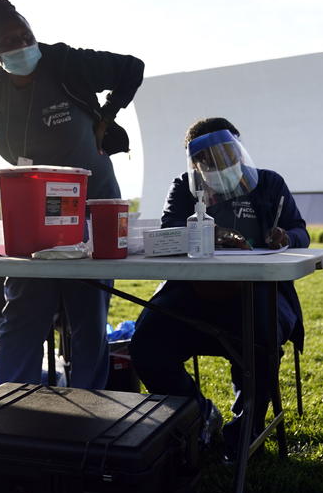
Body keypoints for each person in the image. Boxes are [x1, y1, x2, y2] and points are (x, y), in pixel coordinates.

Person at [0, 0, 144, 389]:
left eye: (26, 35)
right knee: (25, 309)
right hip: (35, 217)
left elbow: (132, 68)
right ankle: (11, 402)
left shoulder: (65, 63)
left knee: (87, 315)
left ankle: (90, 405)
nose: (23, 45)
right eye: (11, 41)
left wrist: (106, 116)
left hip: (92, 206)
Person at [130, 118, 309, 459]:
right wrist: (209, 234)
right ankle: (198, 415)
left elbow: (300, 231)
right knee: (147, 343)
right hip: (194, 292)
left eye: (225, 155)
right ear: (194, 164)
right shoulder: (184, 186)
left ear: (238, 150)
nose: (218, 166)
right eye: (206, 161)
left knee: (260, 342)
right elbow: (169, 233)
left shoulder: (269, 184)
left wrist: (284, 237)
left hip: (259, 292)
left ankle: (244, 432)